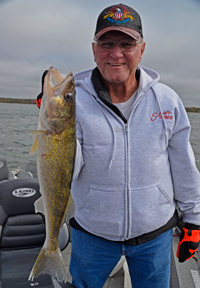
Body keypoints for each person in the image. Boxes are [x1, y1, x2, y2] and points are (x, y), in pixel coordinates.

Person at [36, 4, 200, 288]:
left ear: (142, 49)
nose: (116, 53)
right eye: (106, 43)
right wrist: (56, 121)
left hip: (155, 236)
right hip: (91, 235)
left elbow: (184, 166)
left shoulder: (167, 100)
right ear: (93, 48)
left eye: (127, 43)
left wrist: (195, 220)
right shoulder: (79, 100)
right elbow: (67, 172)